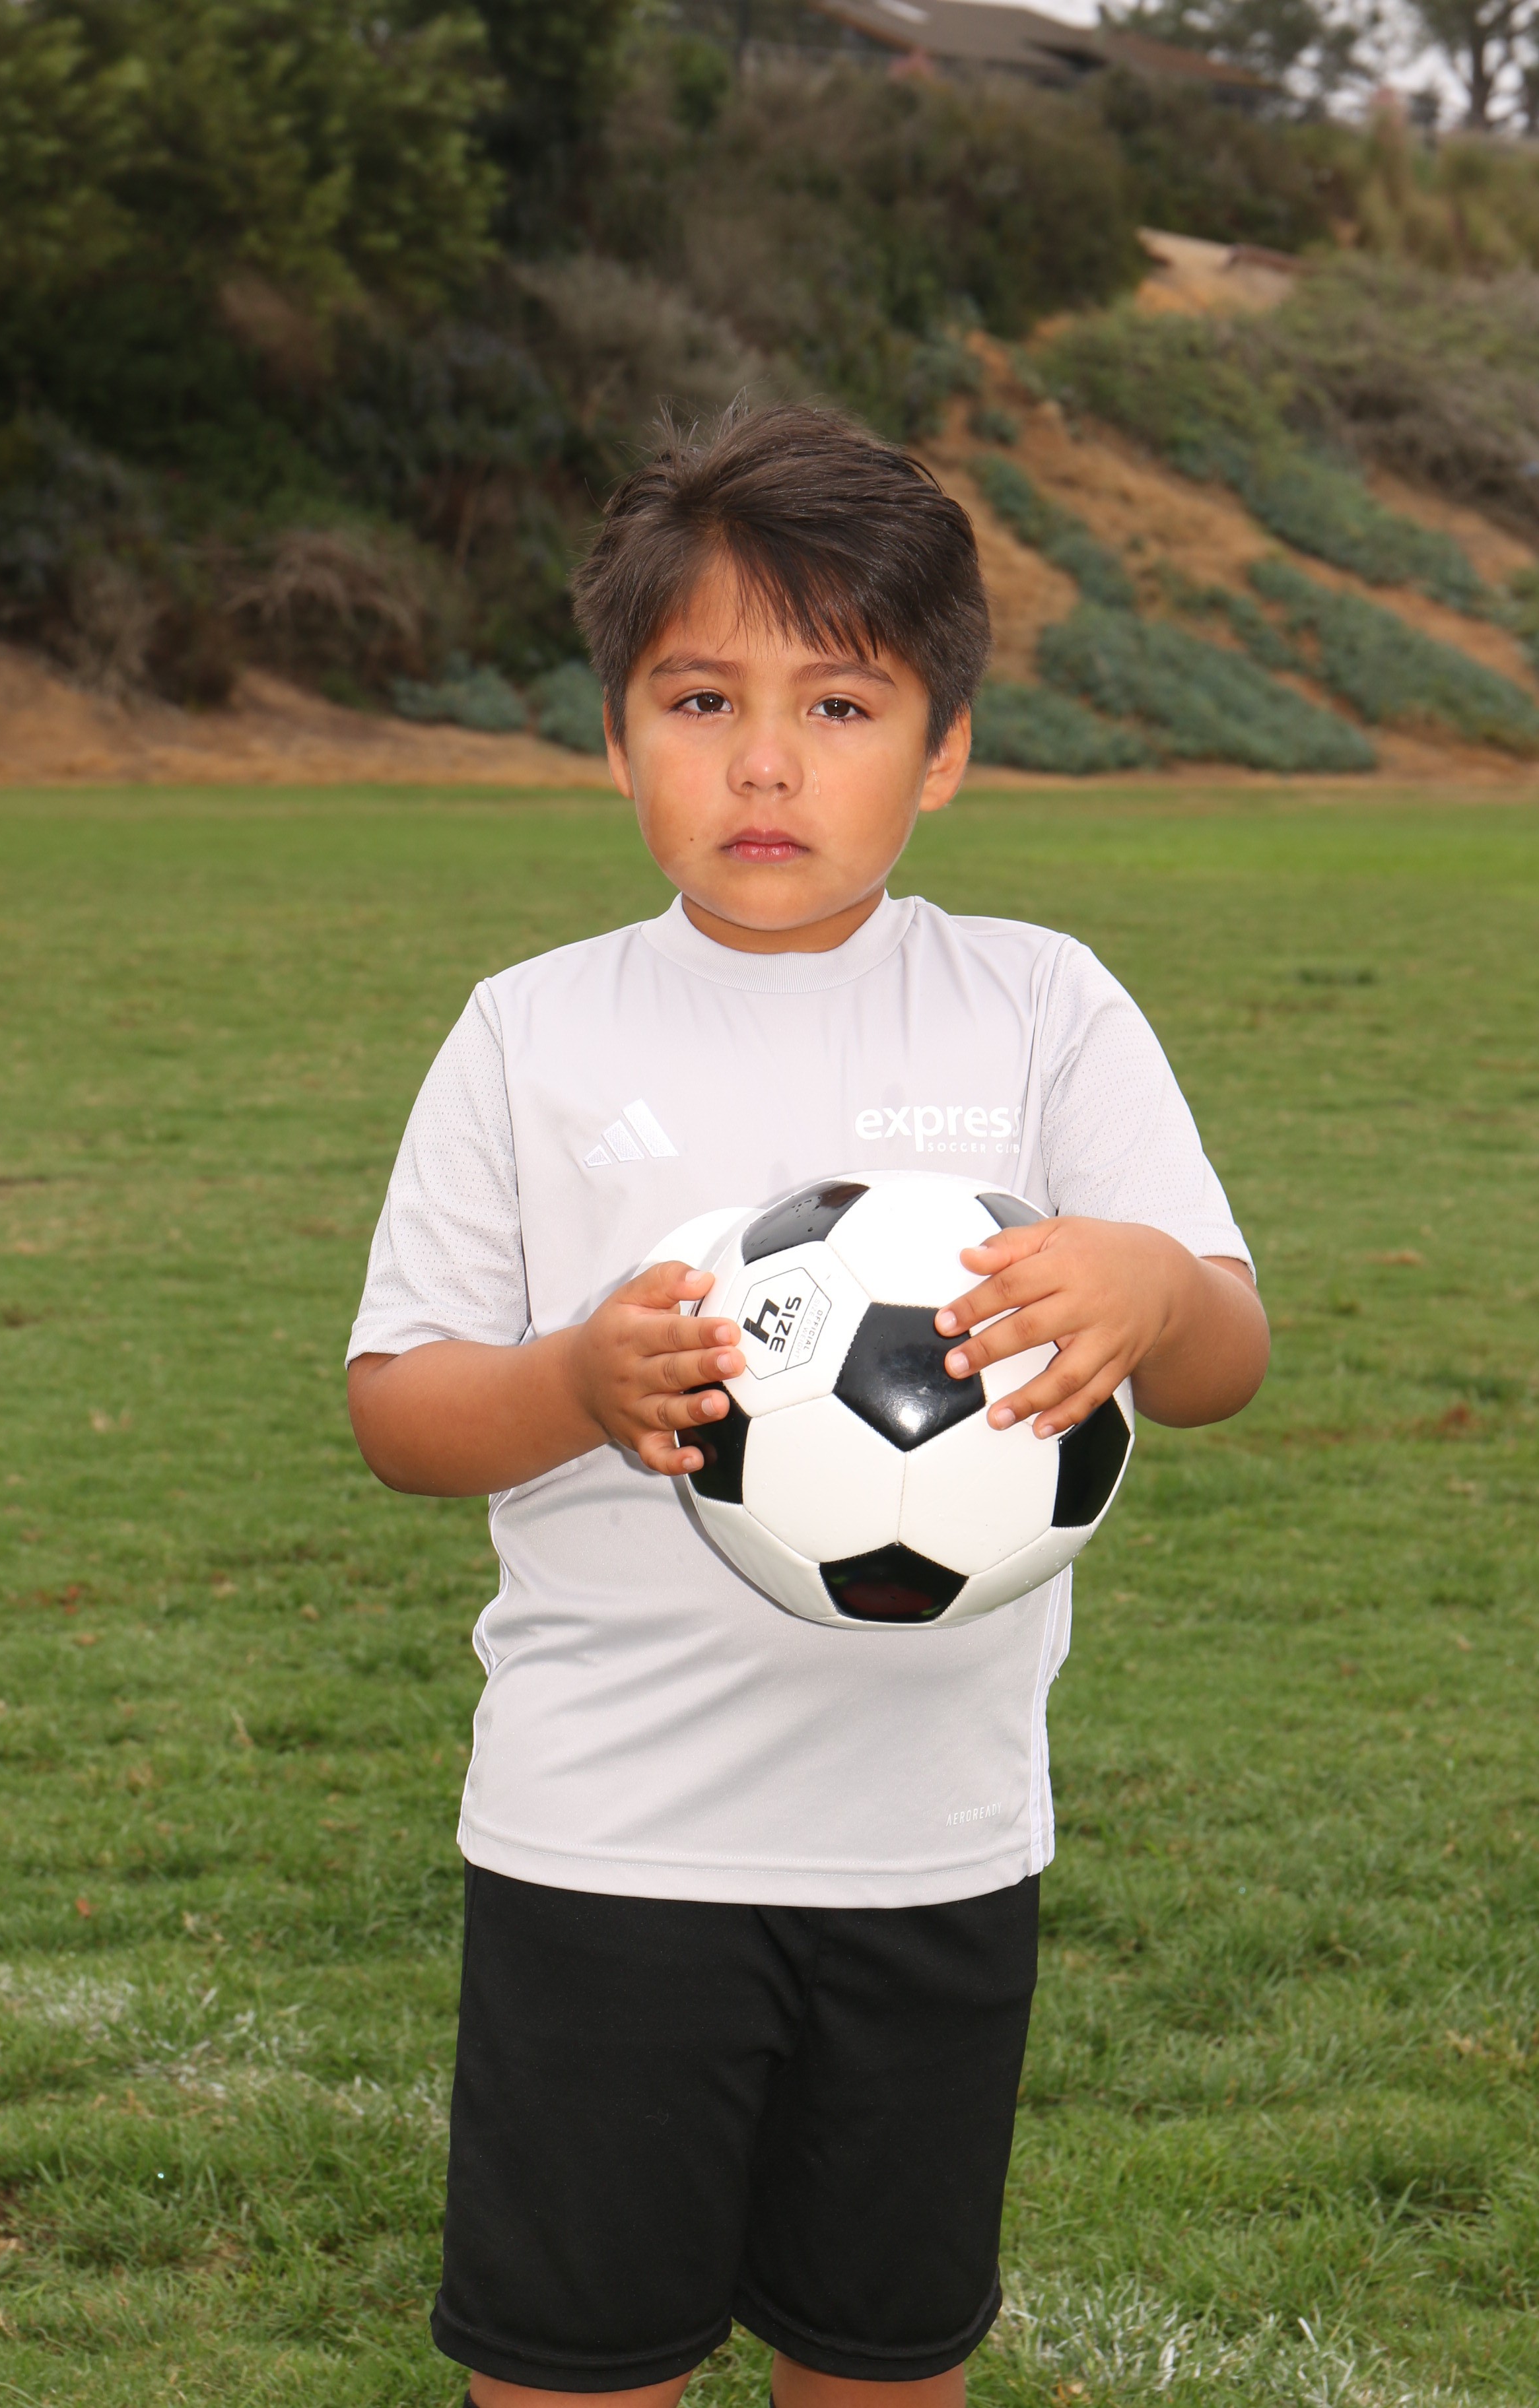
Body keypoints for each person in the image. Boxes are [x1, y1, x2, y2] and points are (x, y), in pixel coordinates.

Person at [345, 403, 1269, 2408]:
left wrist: (1149, 1287)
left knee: (881, 2363)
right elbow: (403, 1407)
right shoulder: (532, 1032)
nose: (764, 762)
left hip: (932, 1854)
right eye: (701, 700)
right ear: (617, 739)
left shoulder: (1040, 1006)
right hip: (606, 1848)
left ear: (944, 750)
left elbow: (1223, 1356)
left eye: (840, 705)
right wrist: (574, 1382)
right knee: (573, 2372)